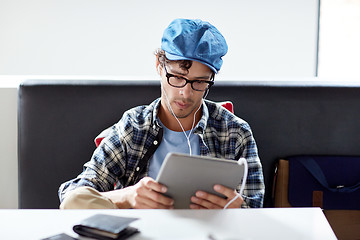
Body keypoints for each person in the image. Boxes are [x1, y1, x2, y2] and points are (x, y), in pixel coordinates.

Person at [58, 18, 265, 209]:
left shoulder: (236, 132)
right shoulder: (132, 128)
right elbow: (72, 196)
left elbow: (257, 210)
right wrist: (127, 197)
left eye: (199, 82)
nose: (185, 93)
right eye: (177, 77)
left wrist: (236, 209)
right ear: (159, 65)